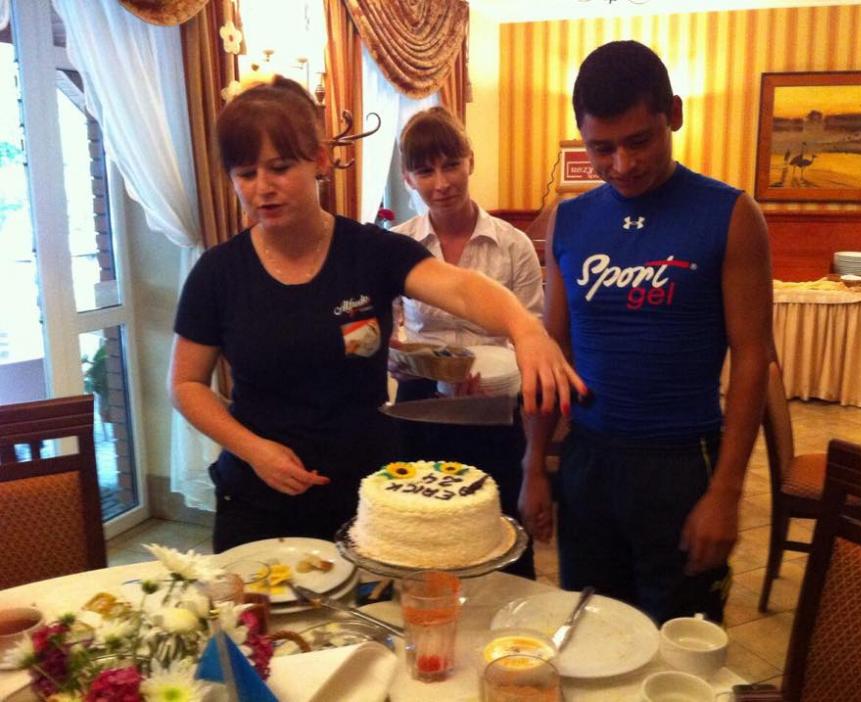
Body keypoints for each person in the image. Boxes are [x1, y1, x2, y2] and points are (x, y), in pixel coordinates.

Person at [168, 76, 585, 553]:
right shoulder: (218, 272)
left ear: (319, 160)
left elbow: (462, 290)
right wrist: (254, 450)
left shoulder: (371, 252)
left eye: (280, 168)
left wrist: (524, 327)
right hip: (257, 495)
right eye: (245, 174)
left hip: (367, 497)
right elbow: (185, 385)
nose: (263, 189)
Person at [520, 41, 773, 624]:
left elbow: (755, 360)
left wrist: (726, 494)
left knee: (679, 645)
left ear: (673, 115)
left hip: (684, 463)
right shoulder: (572, 218)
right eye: (601, 148)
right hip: (589, 461)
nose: (622, 165)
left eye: (640, 141)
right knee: (590, 632)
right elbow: (550, 352)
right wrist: (534, 465)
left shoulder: (731, 215)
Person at [390, 107, 544, 578]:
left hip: (494, 408)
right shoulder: (398, 245)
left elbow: (532, 333)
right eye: (425, 170)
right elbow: (389, 334)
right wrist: (414, 365)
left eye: (451, 164)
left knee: (498, 536)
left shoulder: (512, 244)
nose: (442, 182)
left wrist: (496, 379)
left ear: (470, 161)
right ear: (408, 177)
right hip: (422, 409)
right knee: (426, 538)